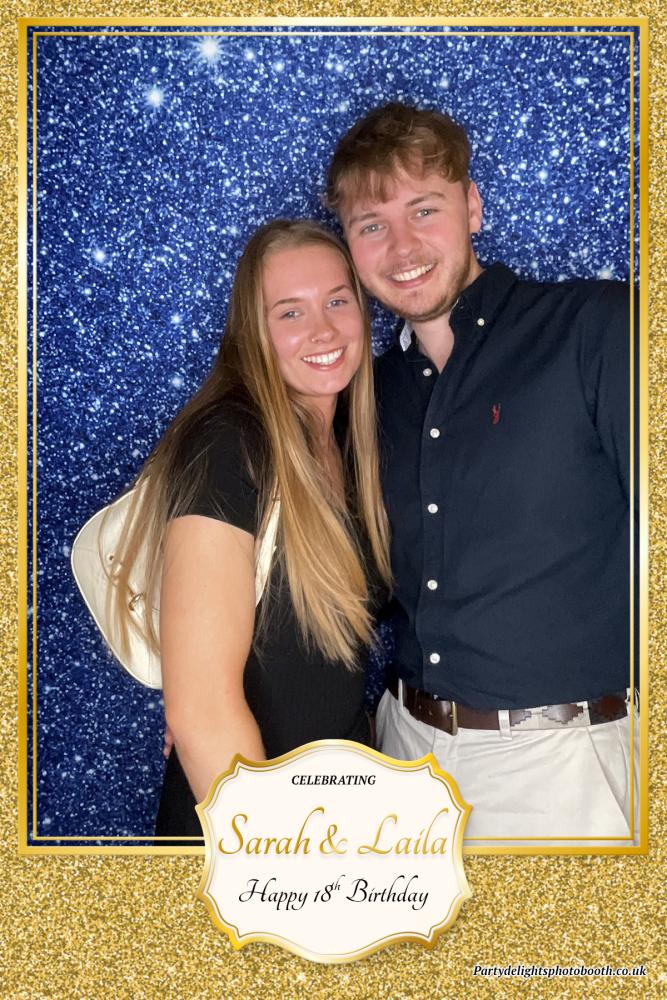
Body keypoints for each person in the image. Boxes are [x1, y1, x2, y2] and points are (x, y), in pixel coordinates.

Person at [326, 102, 639, 843]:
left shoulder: (596, 327)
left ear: (471, 206)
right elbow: (348, 592)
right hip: (400, 757)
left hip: (565, 773)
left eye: (424, 209)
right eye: (371, 225)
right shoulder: (364, 396)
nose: (401, 246)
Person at [109, 219, 391, 839]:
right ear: (251, 332)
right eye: (290, 313)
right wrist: (274, 859)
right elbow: (201, 712)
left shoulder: (348, 443)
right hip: (250, 839)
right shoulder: (231, 444)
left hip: (334, 817)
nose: (323, 330)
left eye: (337, 301)